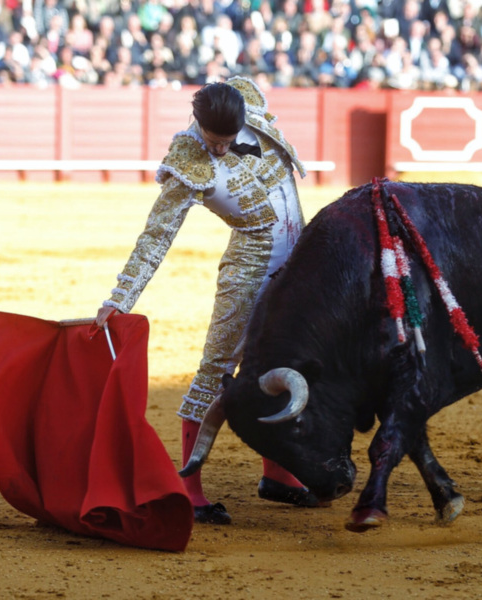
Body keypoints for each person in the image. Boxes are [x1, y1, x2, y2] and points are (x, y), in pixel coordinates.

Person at [95, 77, 317, 525]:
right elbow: (156, 235)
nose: (217, 150)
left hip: (300, 264)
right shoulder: (187, 161)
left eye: (226, 141)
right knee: (217, 369)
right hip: (248, 273)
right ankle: (188, 487)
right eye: (212, 141)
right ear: (197, 124)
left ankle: (276, 473)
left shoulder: (248, 101)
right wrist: (120, 297)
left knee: (286, 361)